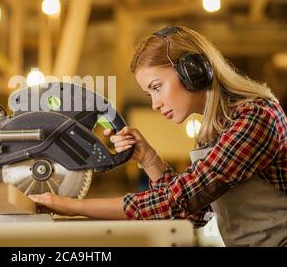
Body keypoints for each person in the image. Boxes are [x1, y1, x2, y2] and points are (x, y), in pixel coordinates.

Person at [29, 26, 287, 247]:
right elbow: (194, 214)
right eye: (148, 94)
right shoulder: (215, 131)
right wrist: (148, 158)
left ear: (194, 70)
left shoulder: (256, 118)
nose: (154, 103)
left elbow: (178, 200)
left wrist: (72, 207)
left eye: (157, 87)